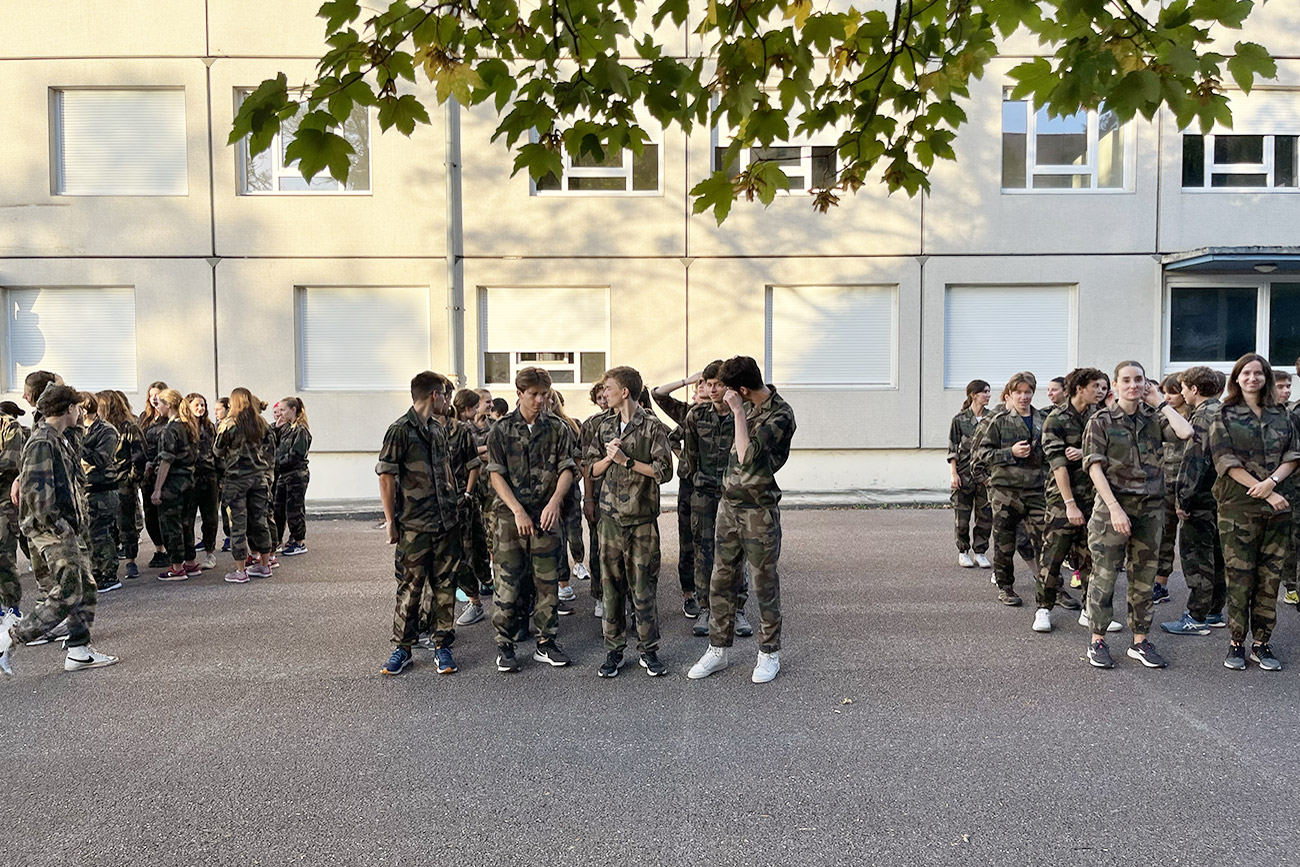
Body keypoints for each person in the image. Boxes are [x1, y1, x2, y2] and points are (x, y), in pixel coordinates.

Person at [688, 356, 796, 684]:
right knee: (721, 579)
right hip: (729, 506)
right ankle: (718, 649)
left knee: (764, 581)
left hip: (758, 509)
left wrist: (736, 412)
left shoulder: (780, 414)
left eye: (732, 392)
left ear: (744, 390)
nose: (723, 396)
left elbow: (748, 455)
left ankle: (768, 653)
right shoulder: (744, 404)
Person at [1082, 360, 1192, 670]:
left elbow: (1185, 432)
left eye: (1139, 380)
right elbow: (1094, 467)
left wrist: (1160, 402)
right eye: (1126, 380)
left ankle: (1140, 640)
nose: (1133, 385)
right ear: (1115, 386)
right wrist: (1115, 508)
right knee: (1104, 575)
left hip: (1151, 509)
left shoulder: (1153, 418)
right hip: (1112, 508)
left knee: (1144, 578)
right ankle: (1098, 640)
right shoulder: (1101, 420)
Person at [0, 385, 118, 675]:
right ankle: (12, 637)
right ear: (68, 410)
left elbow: (76, 450)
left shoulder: (59, 437)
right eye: (76, 407)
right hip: (52, 529)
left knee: (85, 586)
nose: (81, 412)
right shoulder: (42, 440)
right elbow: (39, 495)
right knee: (68, 590)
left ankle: (78, 650)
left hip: (67, 527)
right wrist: (61, 529)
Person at [1209, 353, 1298, 671]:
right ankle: (1237, 643)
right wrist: (1264, 490)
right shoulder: (1225, 414)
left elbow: (1294, 453)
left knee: (1269, 579)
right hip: (1238, 510)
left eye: (1258, 373)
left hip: (1277, 512)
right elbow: (1224, 460)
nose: (1252, 378)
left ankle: (1262, 644)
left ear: (1266, 378)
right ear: (1236, 378)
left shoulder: (1282, 414)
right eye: (1246, 373)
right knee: (1239, 579)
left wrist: (1273, 483)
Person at [485, 367, 577, 673]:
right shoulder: (500, 430)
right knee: (508, 584)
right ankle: (505, 644)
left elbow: (567, 468)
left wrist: (554, 502)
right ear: (519, 394)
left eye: (544, 394)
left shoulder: (557, 428)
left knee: (547, 583)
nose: (540, 400)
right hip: (510, 518)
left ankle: (546, 643)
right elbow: (496, 474)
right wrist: (517, 510)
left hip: (546, 516)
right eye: (533, 394)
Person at [587, 366, 673, 678]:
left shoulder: (651, 425)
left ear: (624, 391)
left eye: (608, 388)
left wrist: (628, 462)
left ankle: (649, 651)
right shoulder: (603, 425)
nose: (604, 393)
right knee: (611, 589)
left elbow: (665, 472)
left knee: (643, 589)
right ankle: (614, 651)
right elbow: (592, 470)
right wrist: (609, 460)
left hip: (641, 522)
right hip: (610, 521)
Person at [376, 371, 462, 677]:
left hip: (445, 523)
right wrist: (390, 522)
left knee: (444, 586)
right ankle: (403, 647)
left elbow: (447, 472)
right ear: (434, 396)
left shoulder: (437, 430)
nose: (447, 401)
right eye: (444, 395)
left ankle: (443, 645)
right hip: (414, 524)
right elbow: (386, 477)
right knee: (410, 588)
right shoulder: (399, 430)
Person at [1032, 368, 1105, 633]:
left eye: (1103, 386)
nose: (1101, 391)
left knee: (1090, 557)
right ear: (1079, 388)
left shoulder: (1098, 417)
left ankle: (1088, 610)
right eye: (1095, 386)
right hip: (1063, 499)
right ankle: (1043, 609)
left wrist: (1084, 451)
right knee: (1053, 555)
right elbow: (1058, 465)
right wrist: (1070, 504)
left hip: (1093, 497)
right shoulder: (1056, 419)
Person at [683, 360, 749, 638]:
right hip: (704, 495)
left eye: (718, 384)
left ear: (729, 386)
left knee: (736, 551)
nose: (711, 389)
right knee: (704, 552)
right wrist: (696, 482)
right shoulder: (696, 416)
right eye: (708, 384)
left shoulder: (744, 414)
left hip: (735, 494)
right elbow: (689, 457)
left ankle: (738, 610)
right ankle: (706, 609)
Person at [1161, 366, 1228, 636]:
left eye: (1184, 388)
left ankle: (1197, 616)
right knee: (1217, 555)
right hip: (1220, 497)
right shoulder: (1224, 410)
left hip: (1200, 497)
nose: (1183, 394)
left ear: (1194, 389)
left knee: (1197, 558)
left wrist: (1182, 501)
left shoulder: (1202, 416)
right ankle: (1214, 611)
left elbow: (1194, 462)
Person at [973, 372, 1046, 607]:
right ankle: (1006, 587)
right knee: (1004, 542)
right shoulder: (999, 421)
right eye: (1019, 392)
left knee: (1045, 541)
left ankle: (1050, 587)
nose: (1024, 397)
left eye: (1028, 392)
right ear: (1010, 394)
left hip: (1036, 490)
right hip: (1006, 492)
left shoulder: (1043, 420)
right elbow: (981, 455)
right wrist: (1010, 453)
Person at [652, 372, 705, 618]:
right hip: (691, 487)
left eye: (713, 383)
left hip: (720, 488)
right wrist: (687, 380)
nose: (705, 387)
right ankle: (689, 595)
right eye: (703, 384)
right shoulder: (689, 413)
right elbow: (659, 394)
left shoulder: (734, 412)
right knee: (689, 541)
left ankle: (723, 601)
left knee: (720, 544)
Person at [213, 387, 275, 584]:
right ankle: (265, 565)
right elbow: (269, 446)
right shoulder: (260, 422)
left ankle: (241, 570)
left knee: (237, 525)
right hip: (259, 477)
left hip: (236, 479)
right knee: (260, 521)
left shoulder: (229, 424)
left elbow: (217, 450)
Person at [447, 389, 488, 627]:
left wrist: (467, 492)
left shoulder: (459, 430)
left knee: (466, 550)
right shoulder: (430, 428)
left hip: (462, 498)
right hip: (440, 502)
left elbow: (472, 462)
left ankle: (475, 600)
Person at [152, 389, 200, 581]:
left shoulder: (170, 430)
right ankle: (190, 562)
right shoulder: (189, 425)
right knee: (186, 523)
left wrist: (157, 489)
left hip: (173, 482)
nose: (158, 406)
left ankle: (177, 566)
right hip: (189, 480)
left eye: (160, 403)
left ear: (169, 405)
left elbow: (166, 460)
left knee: (171, 524)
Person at [78, 392, 123, 593]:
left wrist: (77, 446)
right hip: (85, 489)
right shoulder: (78, 430)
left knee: (101, 534)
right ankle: (96, 571)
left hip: (103, 489)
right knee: (88, 534)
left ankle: (110, 575)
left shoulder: (106, 430)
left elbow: (101, 459)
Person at [1152, 374, 1190, 606]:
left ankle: (1202, 595)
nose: (1168, 397)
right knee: (1164, 536)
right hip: (1164, 482)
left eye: (1172, 392)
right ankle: (1161, 584)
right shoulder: (1161, 415)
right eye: (1164, 392)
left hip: (1188, 484)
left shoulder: (1195, 416)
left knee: (1191, 541)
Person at [99, 391, 145, 579]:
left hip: (123, 482)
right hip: (104, 483)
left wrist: (131, 478)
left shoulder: (129, 427)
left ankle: (131, 560)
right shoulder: (99, 428)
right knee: (107, 527)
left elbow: (139, 455)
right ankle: (109, 563)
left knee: (126, 524)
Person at [948, 380, 993, 569]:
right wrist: (953, 474)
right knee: (963, 517)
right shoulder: (960, 419)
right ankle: (963, 551)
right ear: (973, 395)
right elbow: (952, 449)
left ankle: (980, 552)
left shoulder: (993, 418)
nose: (988, 395)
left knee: (985, 516)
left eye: (989, 392)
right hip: (964, 474)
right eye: (985, 392)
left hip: (986, 475)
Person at [547, 390, 584, 616]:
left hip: (570, 486)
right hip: (547, 492)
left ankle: (579, 561)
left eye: (550, 398)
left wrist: (577, 476)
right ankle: (562, 583)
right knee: (555, 537)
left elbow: (578, 457)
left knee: (574, 530)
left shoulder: (571, 424)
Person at [580, 382, 611, 617]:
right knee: (597, 548)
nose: (603, 400)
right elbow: (586, 464)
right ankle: (600, 595)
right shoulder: (592, 424)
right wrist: (588, 498)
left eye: (606, 395)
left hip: (625, 496)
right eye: (599, 397)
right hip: (600, 495)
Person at [0, 401, 30, 619]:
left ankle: (12, 609)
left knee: (3, 554)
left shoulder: (9, 426)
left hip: (4, 500)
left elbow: (10, 461)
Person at [273, 396, 312, 556]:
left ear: (293, 410)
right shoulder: (286, 428)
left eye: (283, 410)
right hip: (284, 475)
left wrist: (276, 463)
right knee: (279, 508)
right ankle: (278, 540)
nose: (280, 413)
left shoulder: (300, 430)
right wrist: (276, 428)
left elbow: (295, 455)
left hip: (296, 475)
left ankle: (299, 541)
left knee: (294, 508)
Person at [185, 393, 220, 570]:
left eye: (203, 405)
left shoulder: (210, 427)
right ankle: (189, 555)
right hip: (190, 478)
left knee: (210, 517)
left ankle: (209, 552)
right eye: (196, 405)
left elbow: (217, 452)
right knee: (188, 518)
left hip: (209, 476)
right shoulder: (183, 427)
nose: (200, 409)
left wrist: (221, 476)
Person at [138, 380, 169, 567]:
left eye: (157, 395)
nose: (154, 399)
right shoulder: (144, 418)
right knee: (150, 515)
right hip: (147, 471)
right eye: (151, 396)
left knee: (165, 513)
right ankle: (159, 549)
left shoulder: (170, 418)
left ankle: (171, 549)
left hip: (164, 471)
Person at [213, 396, 232, 553]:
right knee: (215, 509)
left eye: (218, 409)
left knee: (228, 508)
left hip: (227, 474)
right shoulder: (216, 426)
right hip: (215, 473)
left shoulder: (230, 426)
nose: (216, 412)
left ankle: (231, 536)